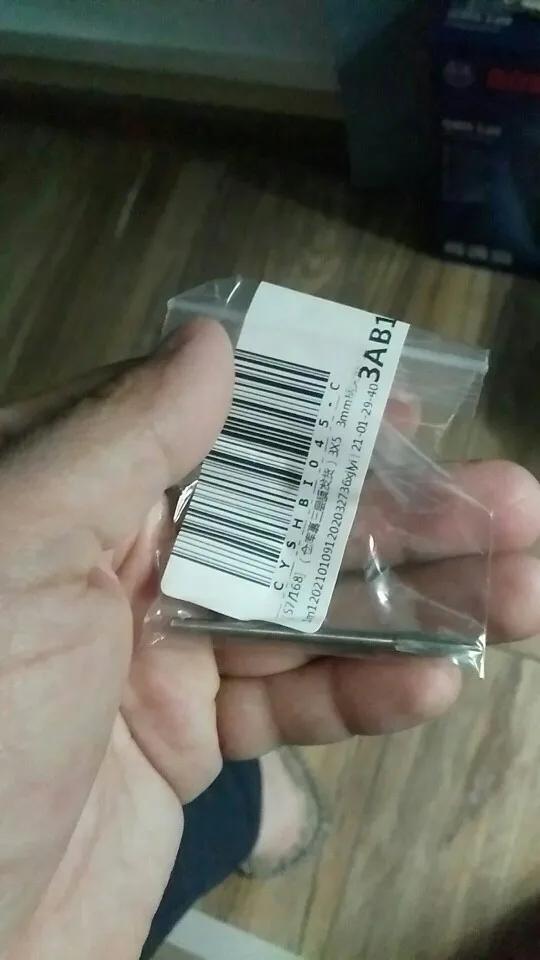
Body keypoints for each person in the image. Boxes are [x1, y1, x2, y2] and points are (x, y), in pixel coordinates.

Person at [1, 318, 540, 960]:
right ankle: (251, 803)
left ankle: (249, 802)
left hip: (117, 825)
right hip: (127, 819)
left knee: (222, 786)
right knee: (227, 797)